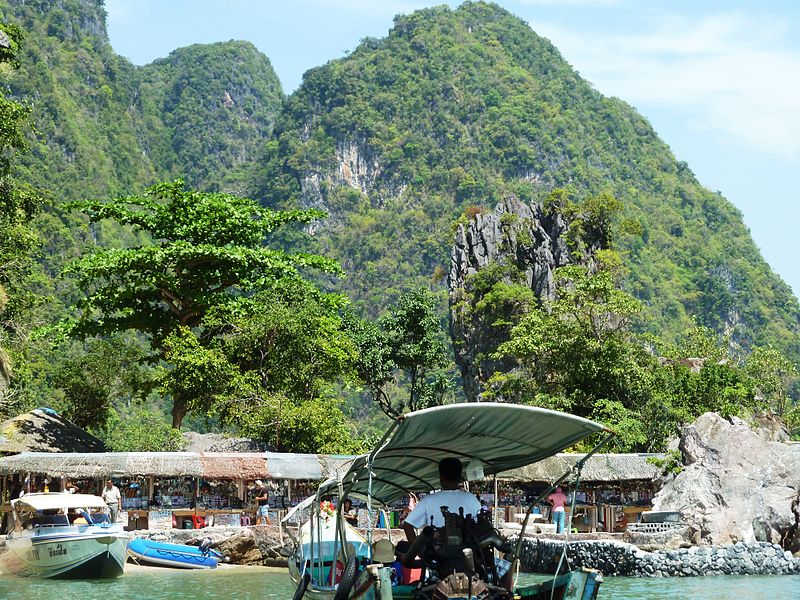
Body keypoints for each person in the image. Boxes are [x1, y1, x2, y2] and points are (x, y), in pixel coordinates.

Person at [402, 457, 481, 543]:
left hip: (435, 554)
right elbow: (482, 526)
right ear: (460, 478)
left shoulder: (428, 500)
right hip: (466, 552)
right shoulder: (471, 499)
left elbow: (407, 525)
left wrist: (420, 552)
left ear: (441, 477)